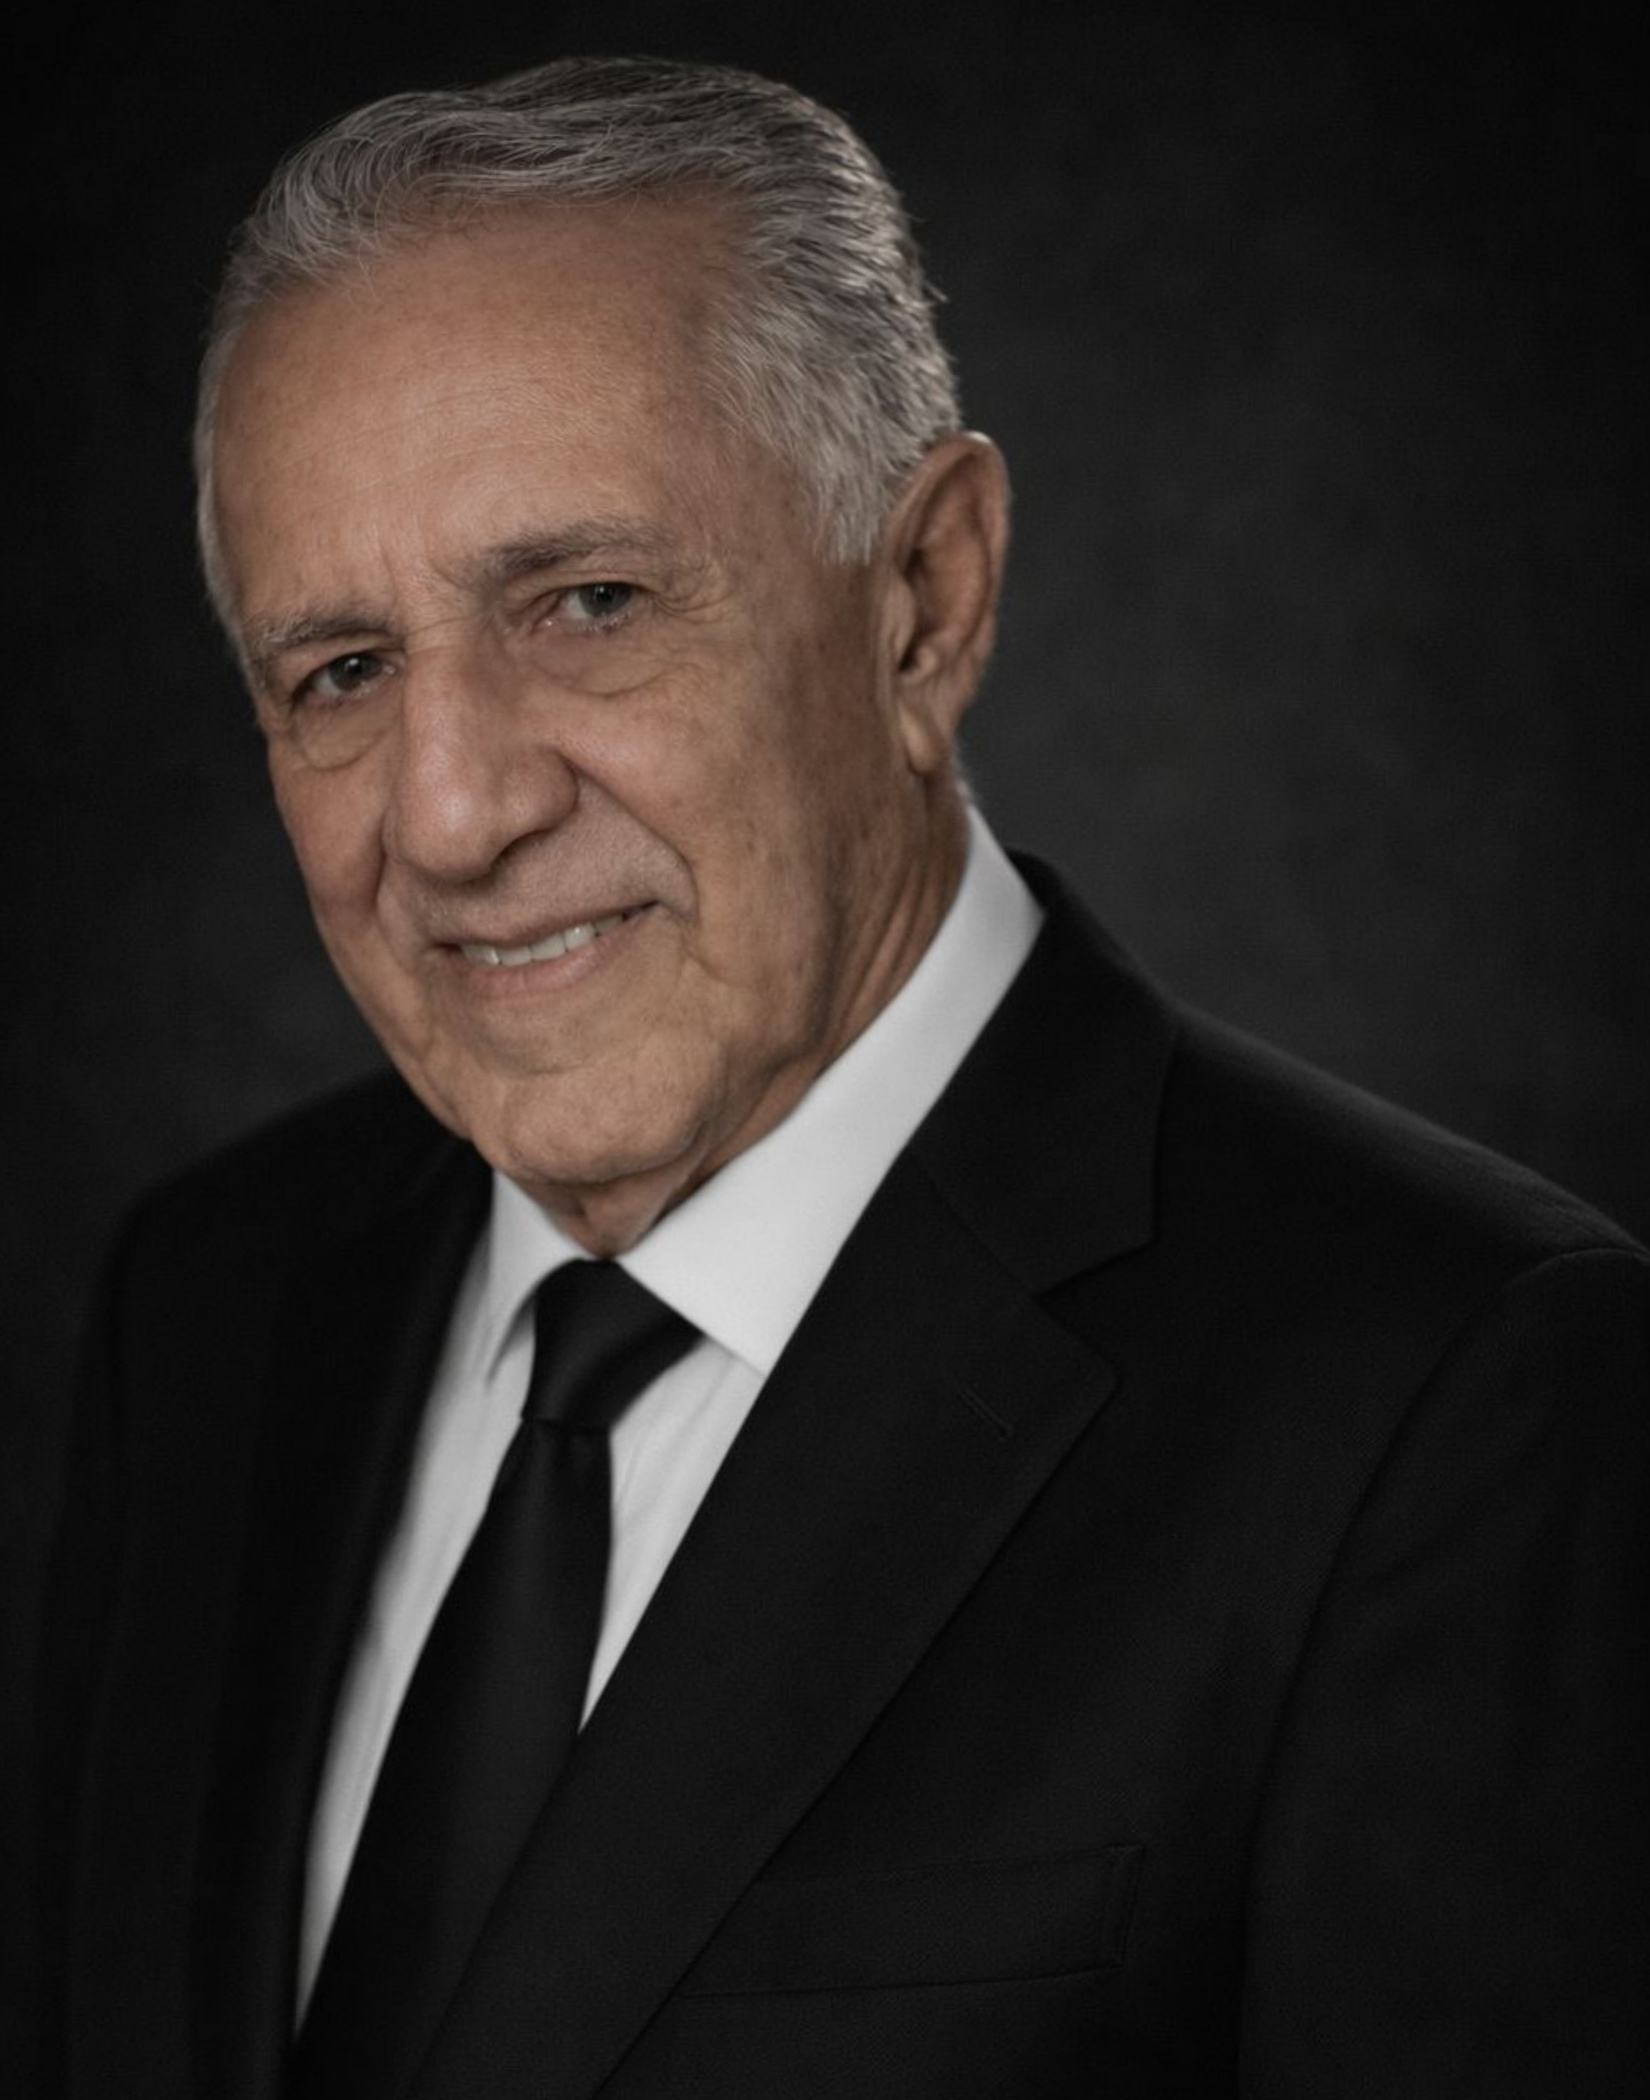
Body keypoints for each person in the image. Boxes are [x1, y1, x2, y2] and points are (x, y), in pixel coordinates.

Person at [22, 55, 1648, 2100]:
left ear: (921, 604)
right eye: (341, 671)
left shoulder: (1452, 1396)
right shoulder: (209, 1303)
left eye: (589, 603)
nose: (448, 815)